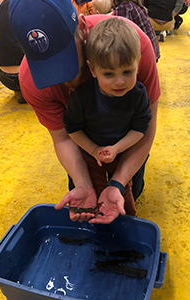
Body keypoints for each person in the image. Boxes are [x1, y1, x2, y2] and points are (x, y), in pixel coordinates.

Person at [9, 0, 160, 224]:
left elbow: (145, 129)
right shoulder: (30, 82)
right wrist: (83, 183)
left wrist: (118, 182)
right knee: (86, 202)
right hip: (85, 144)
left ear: (81, 27)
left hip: (126, 137)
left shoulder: (132, 50)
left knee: (129, 195)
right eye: (48, 66)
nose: (63, 78)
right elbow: (62, 138)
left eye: (66, 57)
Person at [63, 18, 152, 216]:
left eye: (127, 71)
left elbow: (140, 128)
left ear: (138, 64)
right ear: (93, 70)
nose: (120, 81)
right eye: (109, 74)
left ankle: (124, 221)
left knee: (125, 195)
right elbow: (72, 128)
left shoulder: (138, 94)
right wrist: (94, 150)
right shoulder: (82, 96)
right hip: (88, 152)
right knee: (87, 197)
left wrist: (117, 148)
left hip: (123, 152)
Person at [0, 0, 26, 104]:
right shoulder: (33, 6)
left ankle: (21, 90)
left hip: (4, 76)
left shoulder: (3, 6)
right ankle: (28, 90)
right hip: (27, 76)